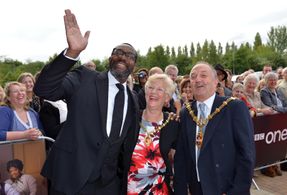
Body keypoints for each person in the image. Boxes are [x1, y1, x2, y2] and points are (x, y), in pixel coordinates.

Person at [33, 9, 139, 195]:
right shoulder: (84, 78)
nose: (123, 57)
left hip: (108, 185)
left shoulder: (133, 100)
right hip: (71, 178)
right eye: (118, 52)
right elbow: (43, 89)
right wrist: (72, 53)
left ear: (134, 66)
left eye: (129, 55)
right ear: (110, 59)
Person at [174, 62, 255, 195]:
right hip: (196, 189)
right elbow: (182, 157)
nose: (197, 79)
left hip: (226, 188)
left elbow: (247, 154)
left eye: (203, 75)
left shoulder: (233, 107)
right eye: (193, 76)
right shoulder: (186, 112)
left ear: (215, 81)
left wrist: (236, 191)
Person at [125, 74, 179, 194]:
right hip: (128, 188)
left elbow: (178, 160)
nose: (153, 92)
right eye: (150, 88)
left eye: (160, 89)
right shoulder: (130, 119)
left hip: (159, 189)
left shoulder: (173, 123)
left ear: (167, 98)